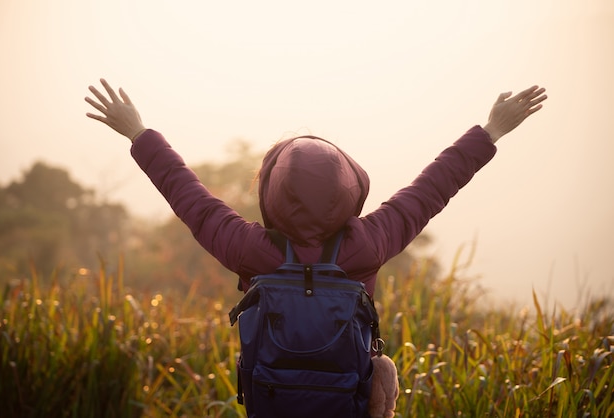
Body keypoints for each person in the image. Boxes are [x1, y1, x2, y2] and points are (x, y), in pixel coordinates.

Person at [85, 79, 546, 298]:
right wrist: (490, 131)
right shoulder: (367, 246)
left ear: (270, 190)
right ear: (350, 187)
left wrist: (139, 134)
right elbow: (432, 189)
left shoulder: (250, 250)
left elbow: (190, 198)